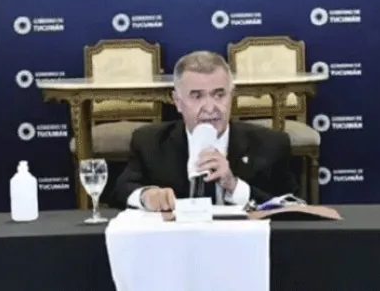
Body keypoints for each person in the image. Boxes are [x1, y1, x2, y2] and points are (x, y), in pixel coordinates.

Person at [112, 51, 297, 211]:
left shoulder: (269, 144)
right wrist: (145, 196)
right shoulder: (150, 142)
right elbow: (120, 191)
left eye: (219, 95)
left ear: (231, 96)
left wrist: (234, 186)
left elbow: (293, 207)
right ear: (177, 102)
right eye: (197, 96)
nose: (210, 108)